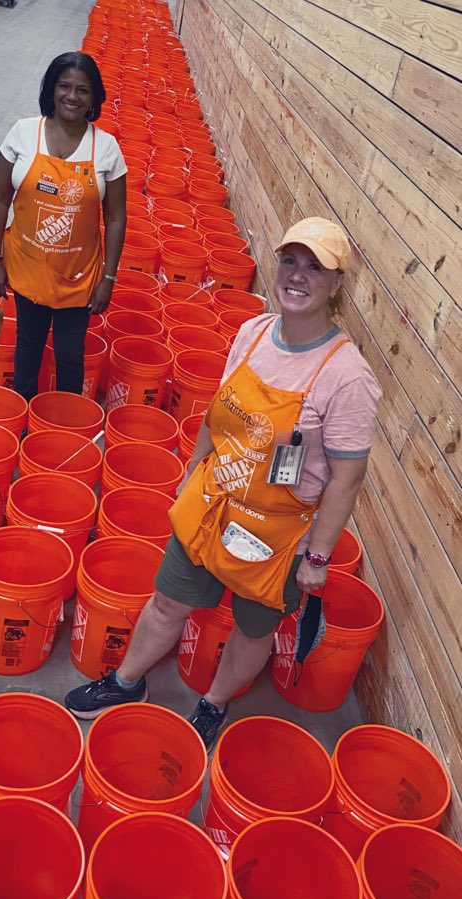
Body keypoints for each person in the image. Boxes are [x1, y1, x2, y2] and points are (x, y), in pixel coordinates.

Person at [65, 218, 382, 749]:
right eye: (289, 261)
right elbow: (217, 416)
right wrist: (191, 476)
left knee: (254, 628)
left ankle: (213, 703)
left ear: (336, 284)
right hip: (213, 502)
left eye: (315, 267)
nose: (297, 276)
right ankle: (125, 683)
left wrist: (318, 558)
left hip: (277, 535)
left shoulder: (347, 376)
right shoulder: (253, 333)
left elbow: (347, 480)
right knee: (167, 602)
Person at [0, 52, 127, 400]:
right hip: (27, 265)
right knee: (28, 344)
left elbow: (116, 217)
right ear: (51, 89)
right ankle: (24, 416)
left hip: (78, 276)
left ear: (94, 98)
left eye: (83, 90)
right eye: (64, 86)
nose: (72, 96)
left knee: (69, 354)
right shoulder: (23, 134)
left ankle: (66, 423)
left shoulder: (106, 148)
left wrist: (108, 279)